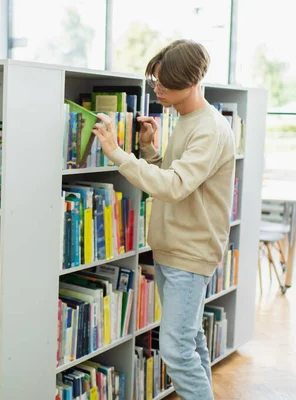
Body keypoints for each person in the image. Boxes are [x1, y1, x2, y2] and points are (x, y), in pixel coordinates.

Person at [92, 40, 235, 400]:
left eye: (165, 83)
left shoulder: (210, 128)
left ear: (194, 80)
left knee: (175, 350)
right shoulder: (187, 120)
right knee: (191, 342)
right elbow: (175, 181)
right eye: (156, 80)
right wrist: (150, 150)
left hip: (191, 253)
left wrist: (117, 153)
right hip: (173, 251)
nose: (158, 89)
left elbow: (174, 187)